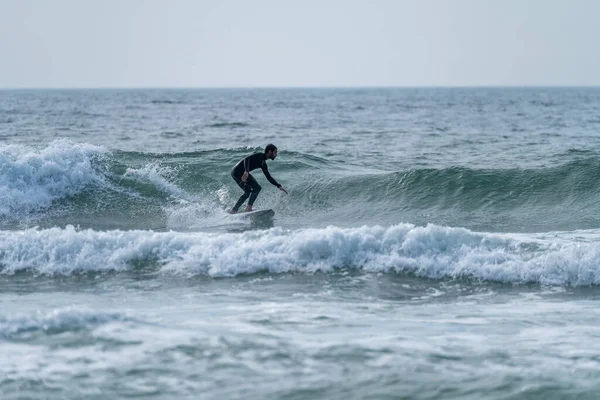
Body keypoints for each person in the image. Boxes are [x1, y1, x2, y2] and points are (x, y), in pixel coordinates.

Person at [230, 144, 287, 214]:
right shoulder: (259, 155)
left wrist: (278, 186)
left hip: (235, 172)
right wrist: (246, 171)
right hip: (238, 171)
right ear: (270, 152)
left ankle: (234, 211)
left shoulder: (263, 164)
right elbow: (246, 159)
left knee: (247, 192)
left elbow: (268, 177)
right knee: (257, 188)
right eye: (275, 152)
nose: (276, 154)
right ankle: (248, 208)